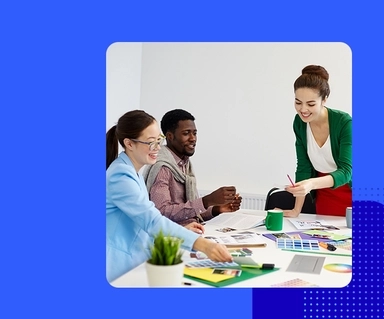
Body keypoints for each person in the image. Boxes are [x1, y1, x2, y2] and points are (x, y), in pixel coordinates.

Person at [106, 110, 233, 283]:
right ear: (129, 143)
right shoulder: (120, 176)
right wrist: (202, 244)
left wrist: (181, 233)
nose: (158, 148)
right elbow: (152, 221)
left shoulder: (131, 172)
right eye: (151, 143)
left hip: (136, 261)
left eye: (159, 140)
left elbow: (146, 223)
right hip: (120, 268)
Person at [142, 109, 242, 226]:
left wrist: (218, 208)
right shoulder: (163, 168)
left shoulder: (184, 164)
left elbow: (190, 211)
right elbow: (162, 212)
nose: (193, 138)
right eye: (186, 133)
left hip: (189, 231)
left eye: (194, 133)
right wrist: (207, 201)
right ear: (170, 136)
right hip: (173, 238)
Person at [282, 65, 352, 217]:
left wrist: (311, 184)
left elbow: (347, 172)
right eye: (298, 102)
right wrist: (296, 210)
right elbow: (303, 167)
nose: (303, 109)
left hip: (354, 192)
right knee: (327, 238)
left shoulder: (344, 122)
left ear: (324, 99)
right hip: (325, 193)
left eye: (311, 104)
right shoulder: (299, 122)